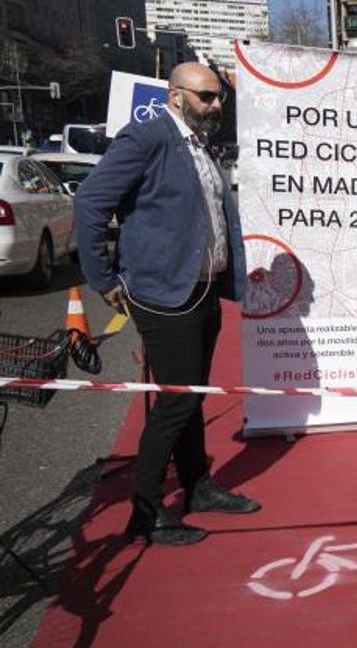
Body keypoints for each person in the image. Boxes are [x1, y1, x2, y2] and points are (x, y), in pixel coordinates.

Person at [73, 62, 258, 546]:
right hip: (163, 294)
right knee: (175, 402)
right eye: (206, 97)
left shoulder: (199, 144)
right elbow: (91, 202)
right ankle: (147, 510)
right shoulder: (146, 137)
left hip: (200, 291)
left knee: (191, 394)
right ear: (176, 95)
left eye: (219, 97)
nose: (216, 105)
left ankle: (197, 486)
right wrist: (103, 277)